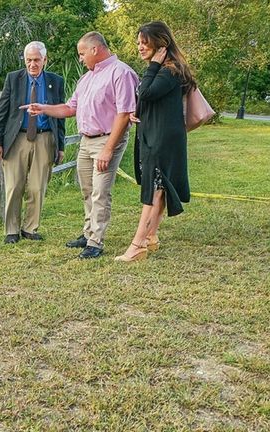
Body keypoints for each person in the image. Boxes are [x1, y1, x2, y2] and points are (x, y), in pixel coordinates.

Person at [23, 32, 139, 258]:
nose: (80, 58)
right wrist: (42, 108)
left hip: (107, 140)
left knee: (100, 192)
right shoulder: (86, 78)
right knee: (87, 190)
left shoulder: (121, 73)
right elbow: (70, 108)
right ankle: (88, 233)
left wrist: (108, 149)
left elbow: (124, 114)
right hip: (86, 141)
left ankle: (95, 242)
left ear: (95, 50)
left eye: (82, 53)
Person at [114, 21, 195, 262]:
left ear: (161, 44)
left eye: (144, 42)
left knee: (155, 190)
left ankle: (137, 245)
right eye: (138, 42)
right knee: (158, 187)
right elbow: (151, 99)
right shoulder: (162, 70)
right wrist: (137, 112)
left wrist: (155, 65)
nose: (139, 47)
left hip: (163, 139)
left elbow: (146, 92)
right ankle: (150, 237)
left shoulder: (169, 69)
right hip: (156, 134)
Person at [0, 41, 66, 244]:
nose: (33, 64)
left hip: (45, 138)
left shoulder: (56, 81)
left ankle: (30, 228)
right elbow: (2, 114)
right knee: (14, 185)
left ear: (45, 60)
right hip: (17, 138)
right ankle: (12, 230)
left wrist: (60, 146)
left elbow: (60, 116)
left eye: (37, 60)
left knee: (37, 187)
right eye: (29, 60)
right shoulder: (13, 79)